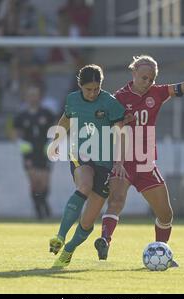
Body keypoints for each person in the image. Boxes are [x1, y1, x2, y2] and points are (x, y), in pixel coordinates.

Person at [94, 55, 184, 262]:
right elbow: (107, 129)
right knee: (116, 201)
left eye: (151, 79)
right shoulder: (117, 99)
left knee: (166, 215)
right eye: (144, 77)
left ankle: (161, 251)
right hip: (123, 161)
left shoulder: (158, 92)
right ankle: (105, 240)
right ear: (133, 73)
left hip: (146, 163)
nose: (148, 82)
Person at [47, 64, 127, 268]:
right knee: (84, 185)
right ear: (79, 86)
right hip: (80, 155)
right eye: (88, 89)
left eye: (96, 89)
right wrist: (56, 140)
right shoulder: (72, 99)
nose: (92, 94)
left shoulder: (110, 103)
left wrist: (119, 161)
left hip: (105, 162)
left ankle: (69, 249)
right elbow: (66, 118)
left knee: (87, 222)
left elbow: (120, 133)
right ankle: (60, 236)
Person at [13, 83, 55, 219]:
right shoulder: (21, 116)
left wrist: (52, 142)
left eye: (35, 95)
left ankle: (44, 203)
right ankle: (39, 209)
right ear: (26, 97)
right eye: (30, 95)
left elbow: (56, 128)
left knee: (44, 182)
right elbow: (15, 132)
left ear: (39, 97)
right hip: (29, 152)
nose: (33, 98)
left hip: (44, 150)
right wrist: (20, 143)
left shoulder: (47, 113)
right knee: (34, 180)